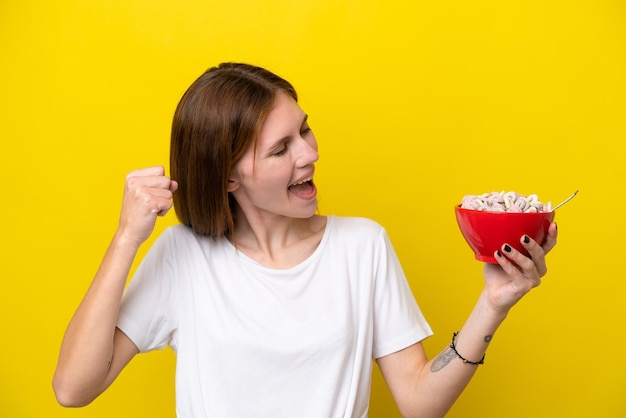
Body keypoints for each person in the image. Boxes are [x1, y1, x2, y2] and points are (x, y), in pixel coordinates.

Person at [53, 62, 558, 417]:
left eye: (305, 130)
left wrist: (494, 304)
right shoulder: (183, 256)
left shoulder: (362, 247)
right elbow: (73, 389)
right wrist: (126, 238)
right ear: (228, 178)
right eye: (280, 149)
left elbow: (420, 403)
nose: (309, 154)